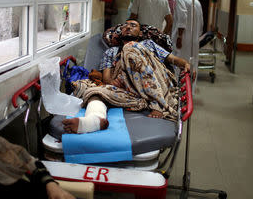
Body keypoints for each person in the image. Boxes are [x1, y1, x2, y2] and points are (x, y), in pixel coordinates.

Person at [62, 19, 191, 133]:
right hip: (130, 92)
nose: (128, 27)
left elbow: (172, 59)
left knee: (130, 48)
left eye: (133, 25)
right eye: (125, 26)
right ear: (121, 32)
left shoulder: (149, 45)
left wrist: (185, 64)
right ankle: (94, 121)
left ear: (140, 33)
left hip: (155, 87)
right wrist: (116, 80)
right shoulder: (111, 52)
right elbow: (107, 79)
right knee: (91, 90)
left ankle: (157, 104)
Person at [171, 0, 203, 91]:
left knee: (179, 63)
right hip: (194, 40)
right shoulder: (196, 1)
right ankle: (190, 90)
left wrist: (179, 37)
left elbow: (182, 17)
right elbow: (201, 23)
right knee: (192, 64)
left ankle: (177, 89)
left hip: (183, 39)